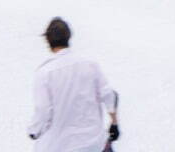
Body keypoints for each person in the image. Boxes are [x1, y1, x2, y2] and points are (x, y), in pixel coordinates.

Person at [27, 18, 119, 152]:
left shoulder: (44, 73)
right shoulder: (90, 65)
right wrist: (114, 124)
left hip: (60, 146)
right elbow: (109, 95)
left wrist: (34, 131)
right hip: (94, 144)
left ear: (48, 41)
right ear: (69, 37)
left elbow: (43, 110)